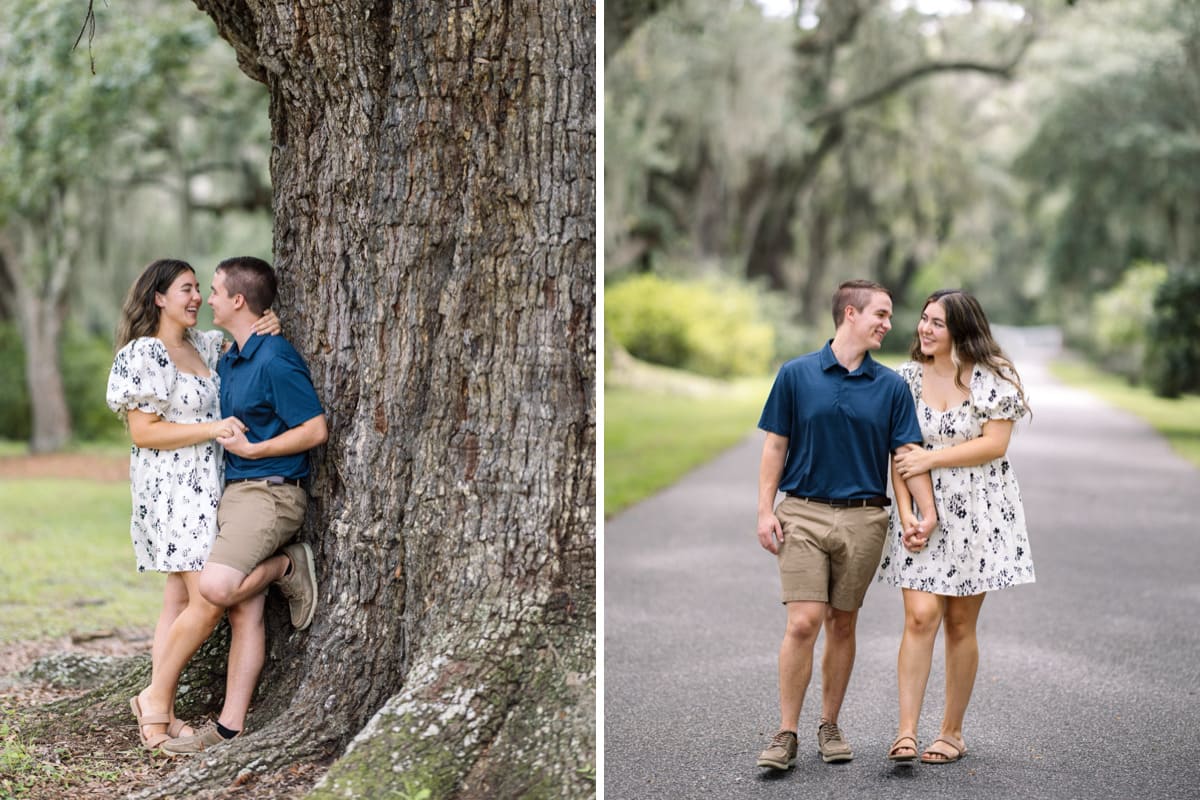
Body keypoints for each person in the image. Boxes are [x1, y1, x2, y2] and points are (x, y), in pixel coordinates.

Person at [755, 279, 938, 770]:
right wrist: (764, 509)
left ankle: (830, 725)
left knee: (842, 622)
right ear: (850, 314)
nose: (889, 323)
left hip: (864, 519)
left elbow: (905, 453)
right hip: (803, 513)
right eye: (881, 313)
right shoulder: (795, 375)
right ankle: (785, 732)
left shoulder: (892, 387)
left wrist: (925, 512)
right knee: (803, 622)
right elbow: (775, 445)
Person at [106, 258, 278, 752]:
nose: (197, 297)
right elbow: (144, 432)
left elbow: (244, 341)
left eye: (200, 288)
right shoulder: (145, 354)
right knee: (207, 599)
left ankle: (159, 718)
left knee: (178, 601)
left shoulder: (204, 345)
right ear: (158, 298)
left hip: (212, 485)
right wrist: (212, 429)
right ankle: (155, 699)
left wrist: (268, 324)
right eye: (186, 289)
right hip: (171, 492)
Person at [160, 255, 327, 755]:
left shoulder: (276, 358)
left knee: (215, 587)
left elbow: (315, 428)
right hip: (235, 493)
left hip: (272, 492)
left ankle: (286, 566)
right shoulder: (230, 356)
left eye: (212, 290)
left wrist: (256, 450)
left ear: (237, 300)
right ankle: (229, 730)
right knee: (243, 610)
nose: (206, 299)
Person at [878, 289, 1035, 766]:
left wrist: (933, 456)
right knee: (920, 617)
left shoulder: (994, 380)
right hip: (920, 512)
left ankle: (951, 732)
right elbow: (899, 454)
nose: (924, 329)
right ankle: (906, 732)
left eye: (937, 323)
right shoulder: (903, 380)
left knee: (960, 624)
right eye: (923, 320)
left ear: (961, 330)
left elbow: (994, 445)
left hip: (980, 516)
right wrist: (906, 514)